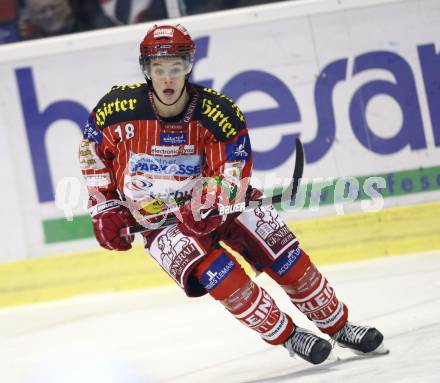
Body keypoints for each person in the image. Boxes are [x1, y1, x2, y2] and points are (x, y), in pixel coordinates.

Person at [79, 24, 386, 365]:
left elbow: (231, 171)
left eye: (176, 69)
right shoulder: (114, 110)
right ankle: (289, 335)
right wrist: (105, 208)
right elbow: (93, 157)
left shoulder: (219, 113)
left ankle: (339, 326)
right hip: (158, 223)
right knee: (220, 273)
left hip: (218, 207)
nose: (168, 79)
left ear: (188, 67)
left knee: (286, 257)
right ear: (147, 71)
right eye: (159, 70)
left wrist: (209, 202)